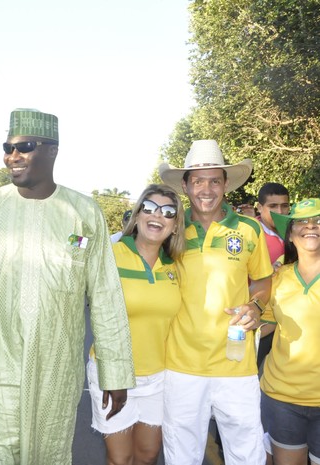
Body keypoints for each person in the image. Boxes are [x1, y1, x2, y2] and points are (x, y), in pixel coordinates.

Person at [0, 108, 135, 465]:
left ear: (52, 151)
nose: (12, 156)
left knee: (51, 454)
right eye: (7, 147)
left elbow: (105, 296)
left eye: (24, 147)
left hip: (56, 371)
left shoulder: (83, 213)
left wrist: (115, 372)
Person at [158, 139, 272, 465]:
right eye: (197, 180)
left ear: (225, 185)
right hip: (180, 366)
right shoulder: (170, 230)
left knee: (246, 456)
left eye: (214, 181)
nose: (206, 189)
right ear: (185, 185)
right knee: (182, 457)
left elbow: (263, 281)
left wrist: (255, 306)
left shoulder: (249, 230)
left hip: (235, 364)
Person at [88, 184, 185, 465]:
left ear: (175, 225)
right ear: (137, 215)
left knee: (147, 455)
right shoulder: (110, 254)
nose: (158, 216)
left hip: (159, 377)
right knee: (120, 459)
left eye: (168, 212)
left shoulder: (176, 266)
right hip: (113, 373)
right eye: (149, 208)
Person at [260, 199, 320, 465]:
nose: (311, 226)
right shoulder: (278, 278)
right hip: (281, 398)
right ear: (290, 235)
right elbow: (268, 323)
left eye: (318, 221)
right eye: (302, 222)